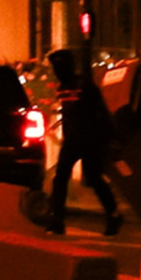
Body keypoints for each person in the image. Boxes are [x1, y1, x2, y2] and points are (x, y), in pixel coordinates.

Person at [46, 48, 122, 237]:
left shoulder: (83, 85)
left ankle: (112, 214)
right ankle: (58, 220)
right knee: (64, 178)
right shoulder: (65, 86)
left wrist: (110, 136)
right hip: (75, 139)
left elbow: (100, 112)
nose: (56, 70)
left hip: (89, 138)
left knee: (90, 178)